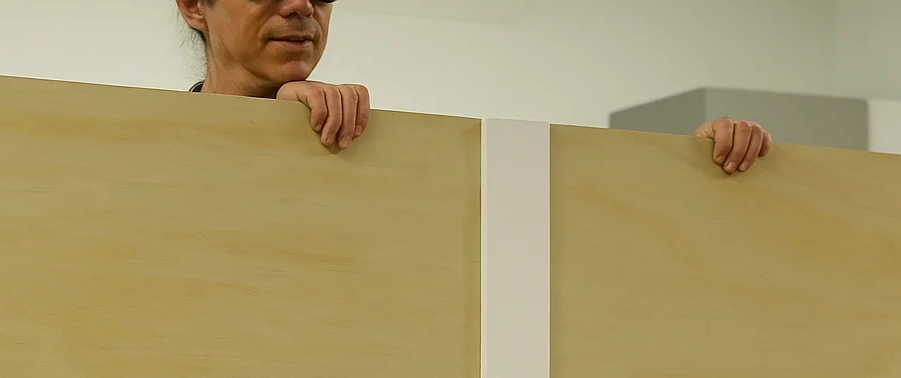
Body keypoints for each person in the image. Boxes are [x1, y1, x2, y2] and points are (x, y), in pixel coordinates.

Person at [175, 0, 772, 173]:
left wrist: (693, 175)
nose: (302, 6)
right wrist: (259, 125)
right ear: (193, 7)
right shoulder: (134, 153)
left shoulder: (382, 159)